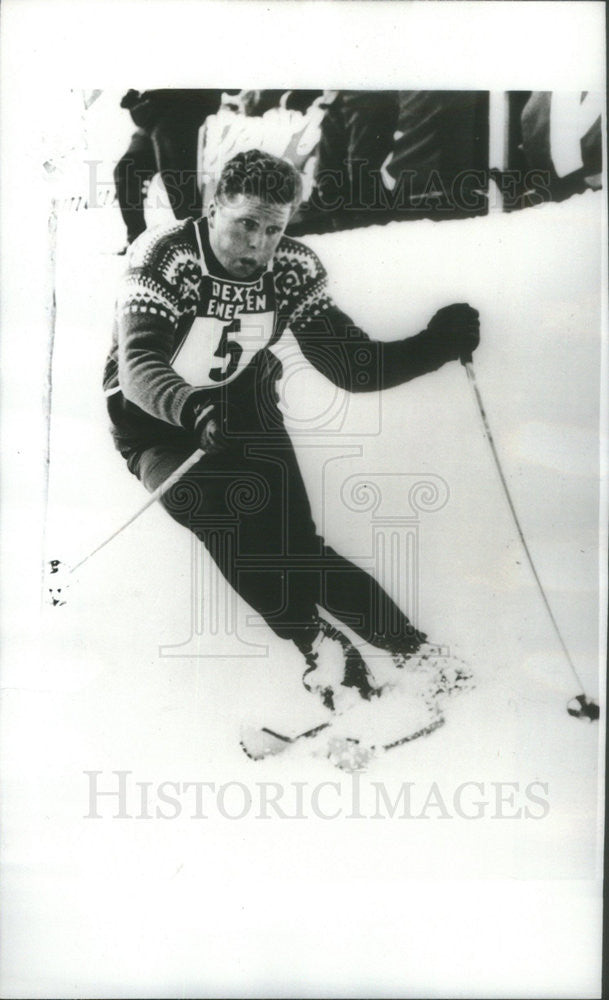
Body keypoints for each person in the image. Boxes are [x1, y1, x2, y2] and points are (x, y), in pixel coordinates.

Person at [103, 149, 480, 714]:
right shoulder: (166, 255)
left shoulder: (290, 268)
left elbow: (353, 366)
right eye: (245, 224)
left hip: (243, 405)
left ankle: (417, 653)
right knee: (220, 515)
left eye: (273, 229)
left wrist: (437, 345)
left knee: (297, 548)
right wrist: (194, 412)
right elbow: (138, 368)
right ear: (213, 209)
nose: (257, 244)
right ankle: (324, 652)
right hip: (157, 421)